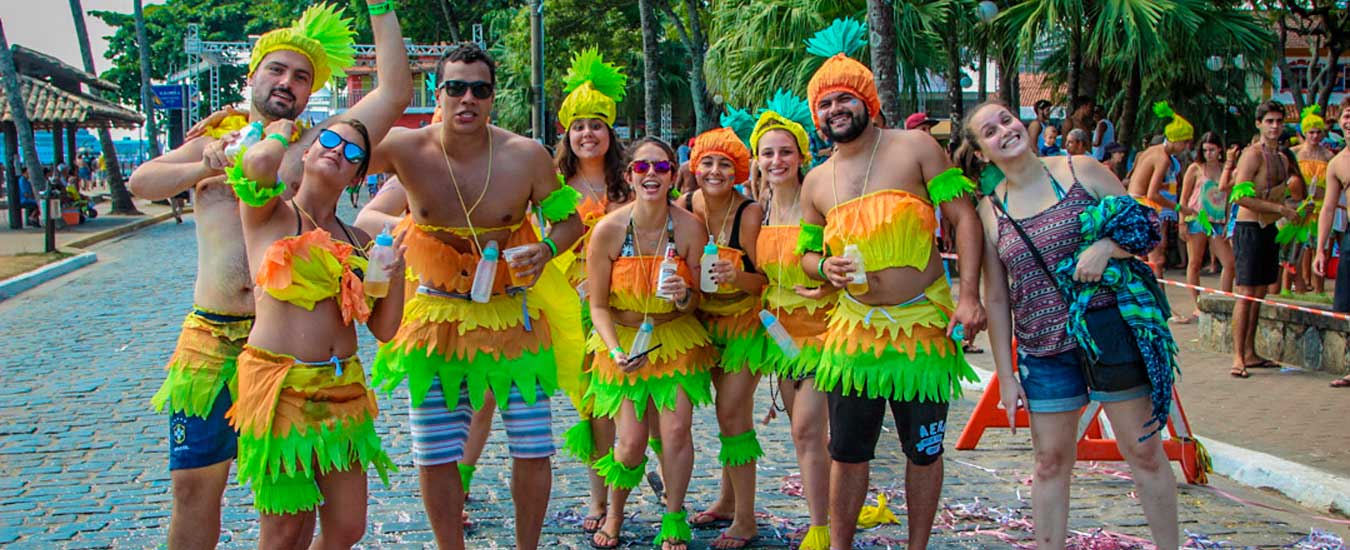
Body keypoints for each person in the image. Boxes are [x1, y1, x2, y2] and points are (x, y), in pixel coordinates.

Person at [126, 4, 382, 547]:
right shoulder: (217, 140)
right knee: (196, 490)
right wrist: (209, 163)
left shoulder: (314, 147)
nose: (287, 83)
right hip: (213, 339)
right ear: (253, 76)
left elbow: (391, 101)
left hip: (284, 355)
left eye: (301, 76)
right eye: (276, 70)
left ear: (312, 92)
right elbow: (142, 182)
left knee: (290, 513)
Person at [366, 41, 585, 550]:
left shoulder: (524, 155)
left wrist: (547, 248)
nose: (468, 99)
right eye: (456, 87)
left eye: (480, 90)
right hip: (436, 321)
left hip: (513, 322)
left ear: (492, 97)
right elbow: (337, 152)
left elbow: (569, 221)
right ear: (438, 93)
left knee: (533, 449)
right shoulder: (405, 148)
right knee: (435, 454)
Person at [795, 18, 986, 549]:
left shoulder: (916, 147)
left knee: (923, 449)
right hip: (854, 334)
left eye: (843, 99)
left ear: (867, 99)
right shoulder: (817, 180)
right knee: (847, 450)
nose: (835, 110)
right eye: (825, 105)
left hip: (922, 327)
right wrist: (822, 269)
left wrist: (968, 295)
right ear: (817, 116)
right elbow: (808, 253)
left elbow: (964, 219)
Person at [961, 99, 1181, 550]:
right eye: (990, 131)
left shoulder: (1081, 169)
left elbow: (1144, 224)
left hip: (1108, 334)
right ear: (982, 152)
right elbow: (998, 298)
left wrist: (1106, 248)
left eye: (1006, 119)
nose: (1004, 130)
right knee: (1050, 462)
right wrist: (1006, 374)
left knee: (1143, 452)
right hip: (1044, 351)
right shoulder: (991, 211)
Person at [228, 4, 410, 538]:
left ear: (358, 173)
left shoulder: (358, 241)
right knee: (285, 532)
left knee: (348, 528)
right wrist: (283, 135)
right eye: (328, 141)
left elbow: (383, 329)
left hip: (344, 390)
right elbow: (255, 168)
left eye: (352, 150)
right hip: (280, 386)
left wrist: (394, 272)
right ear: (309, 154)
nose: (338, 150)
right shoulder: (272, 214)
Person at [586, 137, 715, 550]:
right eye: (642, 168)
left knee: (677, 430)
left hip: (673, 341)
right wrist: (613, 351)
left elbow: (699, 299)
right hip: (622, 341)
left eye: (661, 168)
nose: (652, 175)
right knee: (629, 443)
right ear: (629, 176)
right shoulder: (608, 230)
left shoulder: (690, 228)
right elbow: (599, 306)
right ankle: (616, 512)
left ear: (673, 176)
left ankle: (674, 515)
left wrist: (683, 295)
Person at [550, 49, 636, 535]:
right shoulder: (556, 184)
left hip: (626, 304)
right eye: (578, 125)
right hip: (573, 309)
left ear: (610, 132)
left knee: (637, 401)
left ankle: (653, 490)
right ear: (568, 133)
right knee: (594, 406)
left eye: (596, 125)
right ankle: (598, 497)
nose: (588, 134)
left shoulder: (630, 182)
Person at [749, 91, 835, 550]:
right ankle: (829, 512)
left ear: (801, 156)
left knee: (807, 428)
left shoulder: (817, 201)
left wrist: (829, 282)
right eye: (768, 153)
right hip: (779, 336)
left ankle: (821, 527)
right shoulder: (754, 211)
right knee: (804, 434)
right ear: (757, 160)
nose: (777, 160)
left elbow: (843, 259)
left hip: (824, 331)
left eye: (785, 152)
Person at [679, 127, 768, 549]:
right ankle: (726, 501)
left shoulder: (749, 213)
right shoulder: (683, 206)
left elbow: (766, 281)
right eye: (707, 162)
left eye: (725, 164)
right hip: (702, 326)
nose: (714, 171)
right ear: (695, 166)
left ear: (738, 171)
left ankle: (746, 518)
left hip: (745, 326)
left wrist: (738, 275)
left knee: (733, 415)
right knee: (722, 416)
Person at [1230, 100, 1303, 378]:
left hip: (1269, 228)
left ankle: (1250, 352)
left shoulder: (1283, 158)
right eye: (1269, 121)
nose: (1274, 126)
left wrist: (1295, 209)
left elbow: (1282, 195)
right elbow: (1241, 195)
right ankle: (1237, 356)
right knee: (1246, 293)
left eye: (1278, 121)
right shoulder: (1252, 154)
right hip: (1249, 228)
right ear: (1259, 124)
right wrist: (1279, 209)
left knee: (1260, 294)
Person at [1127, 102, 1193, 277]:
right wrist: (1179, 208)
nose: (1186, 147)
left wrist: (1164, 186)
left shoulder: (1151, 150)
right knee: (1157, 260)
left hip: (1133, 203)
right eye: (1185, 142)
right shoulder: (1163, 159)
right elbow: (1152, 194)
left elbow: (1140, 181)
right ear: (1176, 139)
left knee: (1141, 257)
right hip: (1142, 206)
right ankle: (1158, 301)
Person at [1176, 132, 1236, 321]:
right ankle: (1197, 305)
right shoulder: (1195, 169)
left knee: (1228, 262)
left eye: (1212, 149)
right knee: (1194, 262)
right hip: (1196, 218)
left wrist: (1227, 221)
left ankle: (1226, 299)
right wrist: (1181, 222)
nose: (1208, 153)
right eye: (1205, 150)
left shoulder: (1226, 171)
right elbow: (1184, 198)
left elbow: (1229, 199)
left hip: (1217, 221)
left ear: (1219, 150)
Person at [1312, 97, 1350, 388]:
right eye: (1346, 116)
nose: (1349, 122)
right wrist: (1321, 248)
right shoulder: (1337, 163)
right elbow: (1327, 208)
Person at [1289, 106, 1334, 294]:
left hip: (1322, 206)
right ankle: (1300, 285)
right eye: (1311, 132)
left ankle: (1319, 289)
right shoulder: (1294, 153)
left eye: (1318, 132)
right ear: (1304, 133)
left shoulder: (1328, 155)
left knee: (1321, 247)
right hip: (1300, 205)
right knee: (1300, 248)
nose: (1315, 136)